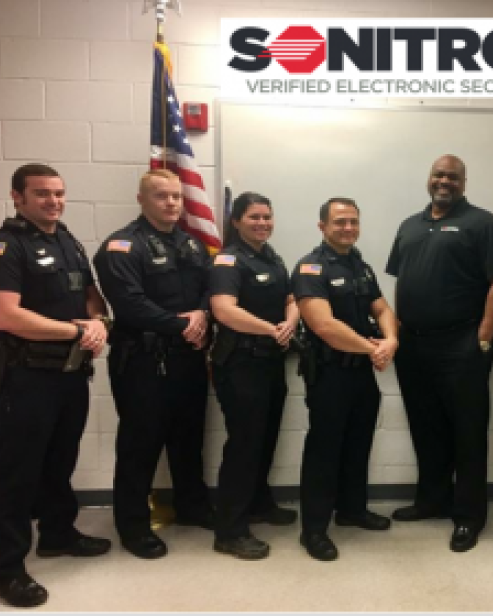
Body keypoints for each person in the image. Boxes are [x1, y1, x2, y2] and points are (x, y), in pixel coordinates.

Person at [386, 154, 493, 553]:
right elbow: (402, 280)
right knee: (426, 428)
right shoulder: (409, 225)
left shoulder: (485, 224)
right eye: (439, 175)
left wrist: (483, 338)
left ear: (464, 181)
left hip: (462, 344)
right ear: (429, 179)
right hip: (414, 345)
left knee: (467, 433)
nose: (444, 181)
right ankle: (431, 501)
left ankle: (468, 517)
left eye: (453, 176)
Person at [0, 163, 111, 608]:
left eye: (59, 192)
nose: (53, 201)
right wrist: (76, 331)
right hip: (26, 378)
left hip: (70, 374)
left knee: (60, 461)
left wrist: (98, 324)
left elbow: (91, 297)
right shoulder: (10, 245)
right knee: (17, 474)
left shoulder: (68, 240)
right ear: (18, 197)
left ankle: (58, 533)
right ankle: (9, 568)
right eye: (42, 193)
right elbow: (7, 315)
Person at [93, 169, 213, 560]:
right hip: (143, 361)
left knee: (188, 438)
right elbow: (130, 305)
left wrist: (203, 315)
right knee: (140, 444)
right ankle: (132, 525)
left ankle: (192, 506)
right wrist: (185, 323)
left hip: (187, 359)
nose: (172, 203)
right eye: (161, 196)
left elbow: (211, 290)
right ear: (141, 199)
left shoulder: (192, 246)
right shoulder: (122, 247)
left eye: (177, 196)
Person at [291, 197, 398, 562]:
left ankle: (352, 510)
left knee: (358, 443)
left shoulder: (361, 266)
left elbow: (381, 308)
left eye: (353, 221)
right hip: (330, 374)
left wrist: (391, 340)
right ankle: (314, 530)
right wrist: (374, 350)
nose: (348, 228)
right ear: (322, 226)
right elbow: (324, 325)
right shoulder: (310, 268)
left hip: (361, 375)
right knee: (324, 451)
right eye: (340, 222)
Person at [209, 192, 299, 560]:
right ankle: (230, 530)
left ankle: (259, 503)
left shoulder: (271, 256)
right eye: (254, 218)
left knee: (265, 439)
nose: (262, 223)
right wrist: (269, 328)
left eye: (267, 216)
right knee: (244, 445)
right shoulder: (229, 260)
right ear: (236, 221)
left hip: (269, 361)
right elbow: (223, 310)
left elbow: (291, 297)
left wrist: (290, 322)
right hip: (241, 364)